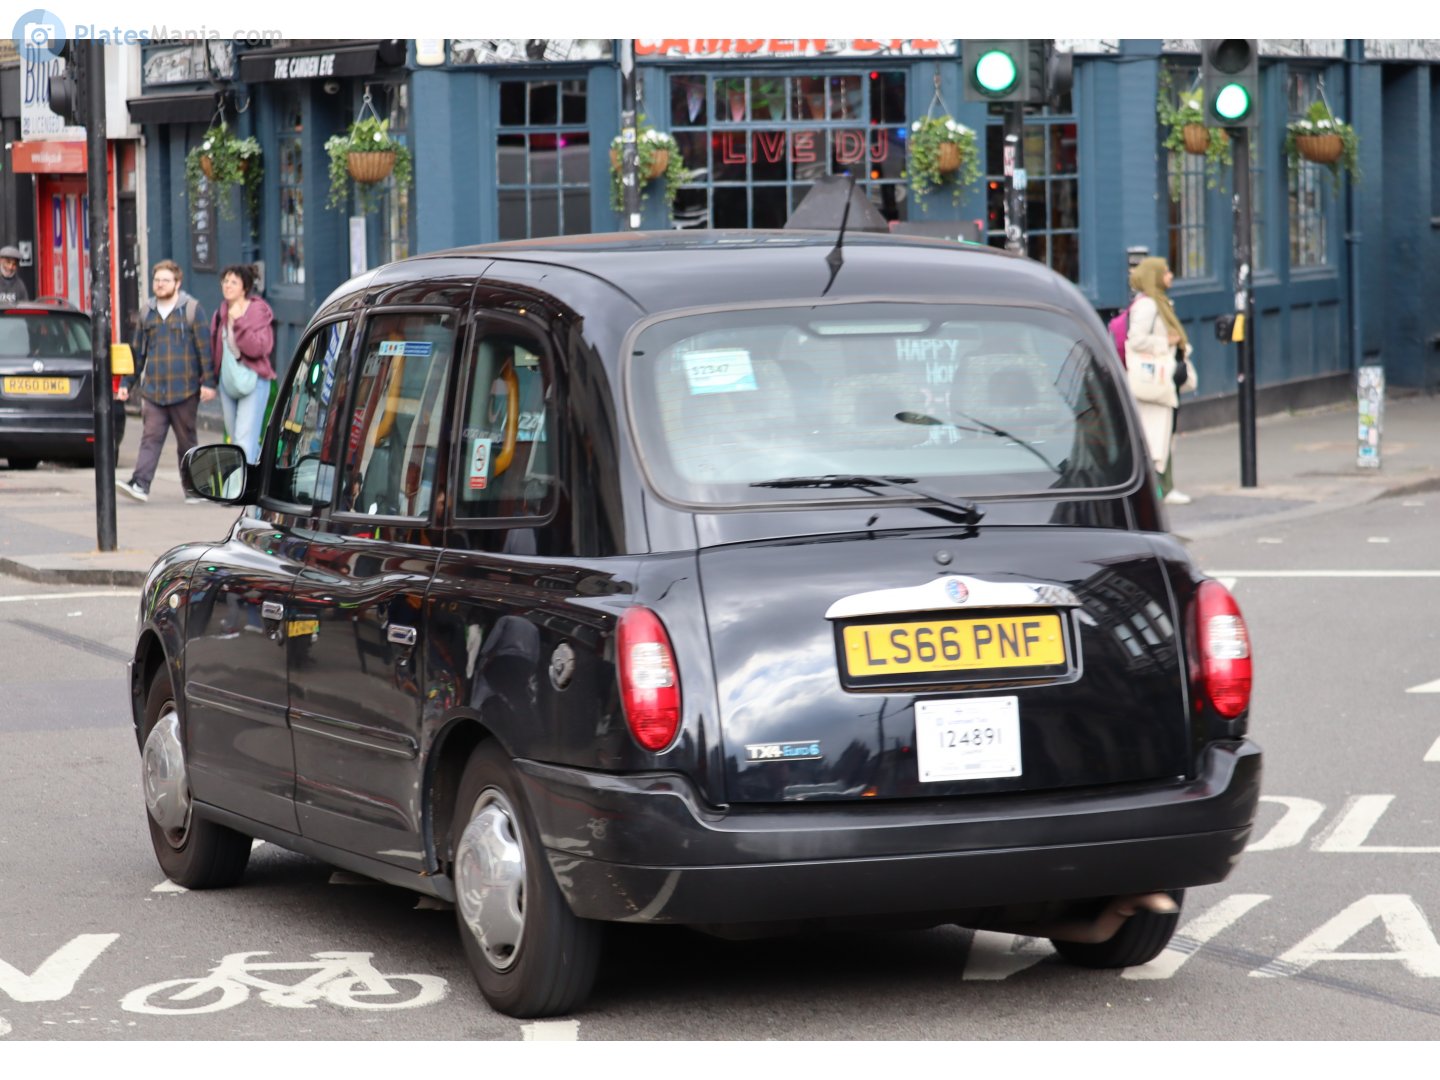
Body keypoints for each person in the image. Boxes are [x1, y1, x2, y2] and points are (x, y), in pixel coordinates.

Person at [116, 260, 214, 503]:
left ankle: (195, 489)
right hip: (154, 391)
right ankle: (140, 484)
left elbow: (204, 349)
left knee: (187, 441)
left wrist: (209, 383)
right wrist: (127, 383)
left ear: (177, 283)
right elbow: (138, 352)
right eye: (157, 280)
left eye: (165, 280)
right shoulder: (146, 312)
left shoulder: (192, 309)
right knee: (150, 438)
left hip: (185, 389)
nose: (160, 285)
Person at [1124, 257, 1197, 506]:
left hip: (1166, 379)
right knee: (1158, 434)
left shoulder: (1161, 302)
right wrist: (1165, 342)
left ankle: (1163, 487)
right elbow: (1135, 340)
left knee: (1165, 433)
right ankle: (1161, 489)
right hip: (1155, 379)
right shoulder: (1147, 306)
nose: (1170, 275)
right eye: (1165, 271)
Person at [211, 264, 276, 465]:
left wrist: (239, 322)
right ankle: (257, 484)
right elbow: (213, 347)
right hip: (228, 382)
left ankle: (242, 493)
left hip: (254, 381)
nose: (228, 286)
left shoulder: (257, 311)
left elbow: (259, 348)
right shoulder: (221, 312)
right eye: (226, 281)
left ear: (244, 287)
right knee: (237, 443)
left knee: (244, 443)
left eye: (234, 282)